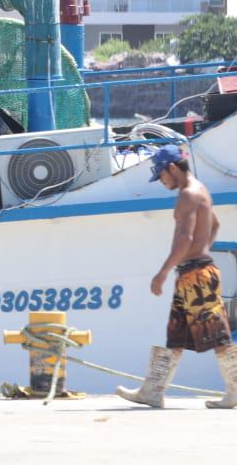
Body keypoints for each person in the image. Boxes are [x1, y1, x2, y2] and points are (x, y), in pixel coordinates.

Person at [116, 145, 235, 409]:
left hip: (196, 277)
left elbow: (185, 237)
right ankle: (153, 391)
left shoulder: (187, 196)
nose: (161, 180)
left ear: (172, 168)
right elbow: (213, 224)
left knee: (217, 336)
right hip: (195, 273)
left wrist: (163, 272)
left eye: (161, 175)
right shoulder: (200, 190)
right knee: (176, 335)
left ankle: (235, 389)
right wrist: (202, 251)